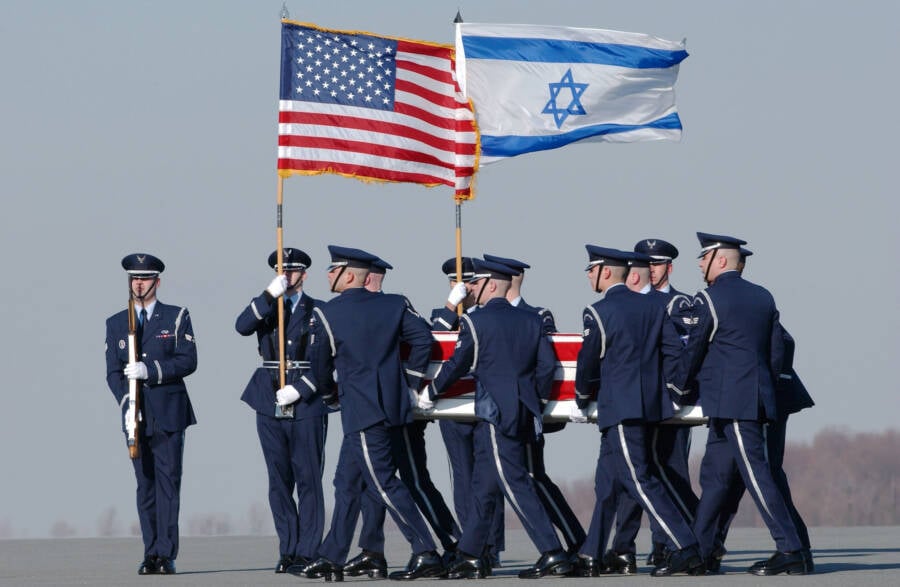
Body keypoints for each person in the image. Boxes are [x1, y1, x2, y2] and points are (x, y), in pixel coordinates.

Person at [292, 246, 444, 582]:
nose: (328, 275)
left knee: (384, 483)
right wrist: (410, 383)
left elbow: (320, 370)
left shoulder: (327, 314)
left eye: (333, 270)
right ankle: (333, 556)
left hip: (361, 410)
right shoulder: (395, 303)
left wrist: (332, 398)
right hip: (393, 405)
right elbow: (423, 340)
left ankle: (426, 552)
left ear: (349, 275)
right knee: (346, 482)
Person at [421, 258, 572, 579]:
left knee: (513, 482)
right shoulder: (532, 321)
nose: (471, 288)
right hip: (522, 411)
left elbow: (458, 363)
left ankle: (552, 551)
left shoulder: (478, 322)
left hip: (493, 412)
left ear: (491, 284)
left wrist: (430, 392)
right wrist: (535, 400)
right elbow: (546, 368)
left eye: (476, 283)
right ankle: (470, 553)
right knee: (484, 487)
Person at [675, 232, 811, 575]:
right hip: (742, 401)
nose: (700, 266)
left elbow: (694, 351)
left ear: (719, 260)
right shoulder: (762, 297)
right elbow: (777, 349)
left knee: (757, 474)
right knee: (717, 478)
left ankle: (791, 549)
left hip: (733, 402)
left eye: (703, 259)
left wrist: (678, 387)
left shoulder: (710, 299)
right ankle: (703, 551)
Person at [571, 245, 700, 577]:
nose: (588, 275)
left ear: (606, 272)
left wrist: (582, 397)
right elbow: (673, 353)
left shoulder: (598, 312)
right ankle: (592, 553)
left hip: (620, 409)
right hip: (650, 408)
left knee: (639, 479)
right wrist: (673, 393)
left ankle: (686, 545)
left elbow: (588, 362)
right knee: (607, 482)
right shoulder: (654, 308)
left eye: (591, 269)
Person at [340, 256, 461, 579]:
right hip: (367, 408)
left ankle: (453, 545)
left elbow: (428, 340)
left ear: (368, 278)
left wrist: (410, 383)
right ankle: (372, 550)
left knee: (412, 479)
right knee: (368, 482)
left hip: (399, 408)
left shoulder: (396, 305)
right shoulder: (355, 309)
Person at [483, 254, 586, 557]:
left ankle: (572, 541)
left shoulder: (537, 315)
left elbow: (546, 365)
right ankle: (478, 552)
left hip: (523, 412)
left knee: (532, 476)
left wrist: (535, 403)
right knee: (489, 483)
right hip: (491, 415)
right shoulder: (482, 314)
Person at [234, 248, 326, 573]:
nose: (286, 276)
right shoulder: (266, 307)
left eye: (292, 271)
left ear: (304, 274)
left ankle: (308, 549)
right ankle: (288, 548)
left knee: (309, 477)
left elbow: (332, 360)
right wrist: (267, 296)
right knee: (278, 478)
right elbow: (241, 326)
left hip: (307, 398)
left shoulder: (320, 310)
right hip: (268, 395)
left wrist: (301, 388)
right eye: (281, 271)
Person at [105, 253, 197, 575]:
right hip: (135, 418)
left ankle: (166, 553)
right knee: (144, 486)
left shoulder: (176, 317)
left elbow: (188, 361)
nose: (138, 283)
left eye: (144, 278)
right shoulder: (117, 322)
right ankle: (149, 552)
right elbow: (113, 373)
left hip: (168, 413)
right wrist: (126, 402)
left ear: (157, 281)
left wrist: (151, 371)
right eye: (134, 278)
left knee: (167, 485)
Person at [430, 257, 507, 571]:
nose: (462, 288)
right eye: (454, 283)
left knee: (488, 479)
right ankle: (469, 543)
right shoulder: (443, 316)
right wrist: (451, 308)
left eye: (467, 283)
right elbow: (433, 342)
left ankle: (491, 544)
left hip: (484, 405)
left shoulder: (490, 314)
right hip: (453, 409)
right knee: (463, 477)